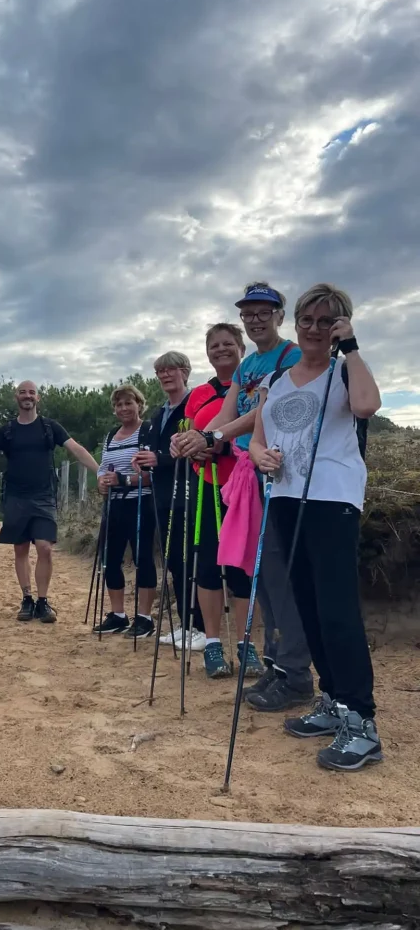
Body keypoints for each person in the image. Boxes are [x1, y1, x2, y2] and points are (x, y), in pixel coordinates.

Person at [250, 283, 382, 771]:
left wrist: (351, 347)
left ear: (340, 326)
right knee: (307, 604)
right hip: (286, 498)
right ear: (296, 323)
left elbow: (366, 406)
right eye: (307, 319)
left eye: (327, 321)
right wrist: (260, 456)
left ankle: (362, 721)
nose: (314, 328)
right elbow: (258, 438)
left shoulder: (344, 369)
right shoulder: (277, 380)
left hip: (332, 499)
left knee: (336, 609)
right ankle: (333, 700)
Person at [192, 282, 315, 712]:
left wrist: (215, 436)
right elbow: (227, 413)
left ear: (280, 315)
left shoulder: (292, 356)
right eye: (248, 313)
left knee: (279, 573)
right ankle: (276, 664)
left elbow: (264, 412)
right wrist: (197, 438)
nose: (255, 319)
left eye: (264, 311)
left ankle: (295, 673)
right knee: (260, 571)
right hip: (250, 475)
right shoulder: (248, 366)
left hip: (281, 473)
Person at [0, 380, 99, 623]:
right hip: (15, 497)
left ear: (38, 398)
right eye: (23, 392)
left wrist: (100, 471)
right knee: (21, 549)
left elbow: (76, 449)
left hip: (44, 496)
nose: (27, 396)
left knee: (45, 547)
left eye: (32, 392)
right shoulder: (7, 431)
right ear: (16, 397)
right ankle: (27, 599)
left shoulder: (50, 427)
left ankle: (43, 602)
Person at [170, 324, 266, 678]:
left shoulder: (257, 385)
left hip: (245, 485)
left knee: (243, 567)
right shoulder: (199, 393)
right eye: (214, 345)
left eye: (228, 343)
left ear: (242, 348)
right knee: (207, 564)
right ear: (207, 353)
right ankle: (212, 643)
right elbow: (188, 430)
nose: (221, 350)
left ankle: (245, 643)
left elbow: (260, 427)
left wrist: (219, 446)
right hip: (206, 484)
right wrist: (184, 446)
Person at [133, 351, 206, 649]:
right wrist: (144, 461)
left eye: (170, 369)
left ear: (185, 372)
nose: (165, 375)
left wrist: (159, 459)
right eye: (160, 371)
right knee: (174, 560)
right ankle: (186, 625)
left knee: (191, 559)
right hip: (162, 495)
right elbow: (153, 450)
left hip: (188, 491)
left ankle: (201, 626)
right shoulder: (157, 414)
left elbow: (195, 450)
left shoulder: (195, 406)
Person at [93, 385, 157, 639]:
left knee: (143, 559)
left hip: (140, 502)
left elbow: (153, 474)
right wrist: (101, 481)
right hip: (114, 505)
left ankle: (145, 618)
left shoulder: (148, 431)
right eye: (119, 405)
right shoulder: (111, 435)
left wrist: (123, 479)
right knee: (110, 559)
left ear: (139, 405)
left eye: (128, 403)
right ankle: (118, 615)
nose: (123, 408)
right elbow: (103, 467)